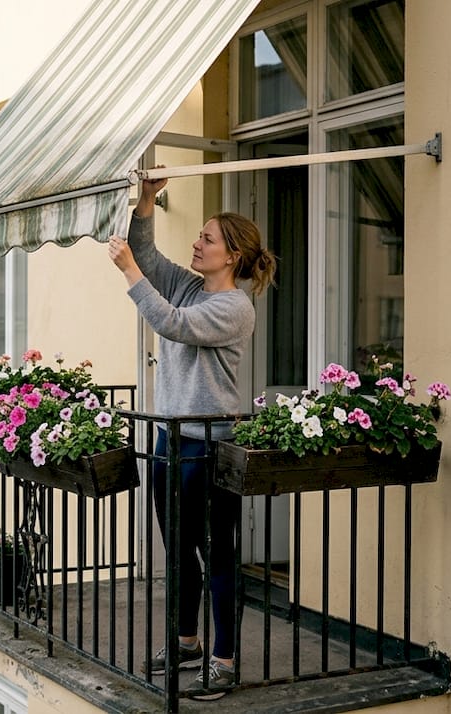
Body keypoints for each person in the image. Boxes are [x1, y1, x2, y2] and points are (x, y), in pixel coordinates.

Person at [106, 171, 276, 698]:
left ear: (232, 256)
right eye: (199, 235)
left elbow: (171, 324)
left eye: (207, 238)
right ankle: (186, 642)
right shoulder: (190, 285)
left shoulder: (233, 307)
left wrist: (130, 273)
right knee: (176, 548)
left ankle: (223, 660)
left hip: (207, 444)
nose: (197, 243)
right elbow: (146, 251)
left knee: (215, 553)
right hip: (168, 440)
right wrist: (147, 198)